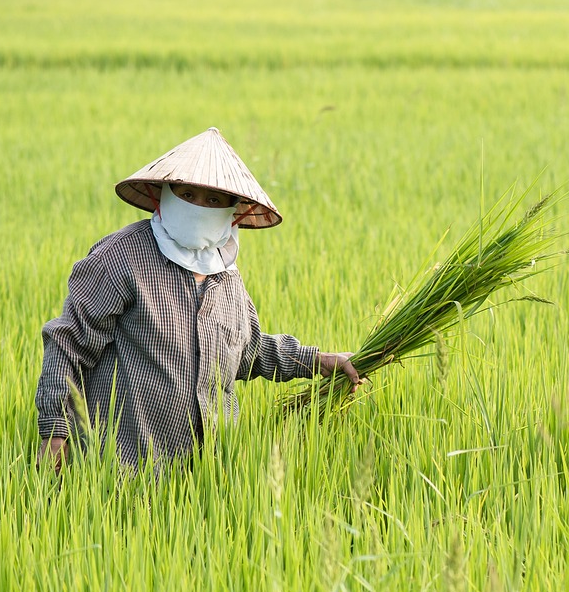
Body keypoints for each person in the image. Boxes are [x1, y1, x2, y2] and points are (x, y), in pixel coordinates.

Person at [35, 128, 361, 472]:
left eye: (214, 201)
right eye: (187, 193)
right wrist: (55, 431)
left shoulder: (227, 276)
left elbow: (246, 352)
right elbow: (68, 343)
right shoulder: (120, 258)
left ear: (234, 212)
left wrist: (317, 360)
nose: (198, 207)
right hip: (121, 474)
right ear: (162, 193)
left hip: (205, 480)